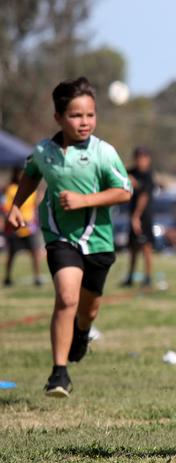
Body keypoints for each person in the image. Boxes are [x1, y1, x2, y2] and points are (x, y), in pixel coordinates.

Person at [6, 77, 131, 397]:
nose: (85, 122)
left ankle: (82, 332)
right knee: (67, 298)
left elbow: (123, 191)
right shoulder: (43, 152)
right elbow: (31, 175)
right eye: (76, 115)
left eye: (90, 115)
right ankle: (58, 374)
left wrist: (84, 200)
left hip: (99, 241)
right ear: (58, 118)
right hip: (60, 236)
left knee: (88, 309)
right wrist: (17, 206)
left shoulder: (104, 152)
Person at [2, 167, 42, 287]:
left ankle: (37, 277)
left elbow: (35, 205)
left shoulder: (32, 189)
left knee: (35, 252)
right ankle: (7, 277)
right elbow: (6, 207)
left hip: (30, 227)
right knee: (12, 253)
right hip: (15, 226)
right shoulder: (10, 189)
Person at [121, 146, 155, 288]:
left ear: (148, 159)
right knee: (133, 248)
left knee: (146, 247)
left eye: (143, 157)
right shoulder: (131, 172)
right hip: (133, 215)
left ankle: (147, 277)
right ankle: (130, 276)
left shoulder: (148, 176)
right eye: (138, 157)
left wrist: (136, 216)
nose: (141, 160)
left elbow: (144, 197)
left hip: (144, 216)